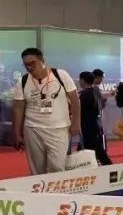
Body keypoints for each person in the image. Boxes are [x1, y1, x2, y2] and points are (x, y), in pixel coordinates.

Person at [12, 47, 80, 175]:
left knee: (57, 167)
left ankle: (57, 188)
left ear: (42, 60)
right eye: (26, 65)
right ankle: (39, 188)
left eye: (32, 63)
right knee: (37, 169)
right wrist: (16, 133)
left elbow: (75, 100)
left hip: (59, 129)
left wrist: (76, 123)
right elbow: (18, 109)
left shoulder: (61, 75)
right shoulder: (23, 81)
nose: (29, 67)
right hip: (32, 129)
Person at [78, 71, 111, 167]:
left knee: (96, 148)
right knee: (89, 147)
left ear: (83, 80)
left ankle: (109, 166)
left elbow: (79, 109)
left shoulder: (85, 94)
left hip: (87, 125)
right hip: (93, 123)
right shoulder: (95, 91)